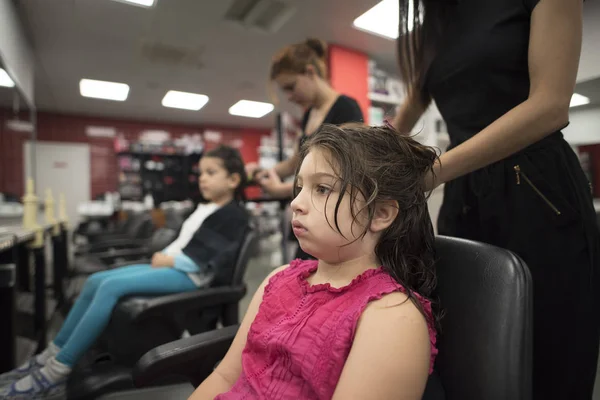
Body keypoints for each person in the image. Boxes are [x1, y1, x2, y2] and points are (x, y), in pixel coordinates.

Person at [393, 0, 599, 398]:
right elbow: (406, 113)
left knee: (551, 365)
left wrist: (432, 172)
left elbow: (550, 106)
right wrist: (359, 155)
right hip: (464, 199)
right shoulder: (436, 17)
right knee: (468, 363)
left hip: (538, 195)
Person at [190, 124, 439, 400]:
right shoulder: (280, 279)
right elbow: (225, 376)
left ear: (380, 214)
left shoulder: (391, 316)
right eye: (299, 188)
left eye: (322, 189)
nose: (296, 202)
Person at [0, 145, 250, 399]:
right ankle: (50, 354)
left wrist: (171, 261)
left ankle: (56, 371)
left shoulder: (233, 215)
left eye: (211, 172)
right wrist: (166, 258)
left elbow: (209, 260)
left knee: (110, 287)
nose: (203, 178)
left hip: (190, 276)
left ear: (233, 179)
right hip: (172, 266)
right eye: (201, 173)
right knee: (96, 280)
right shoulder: (204, 208)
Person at [249, 38, 364, 259]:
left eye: (291, 87)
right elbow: (295, 163)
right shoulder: (309, 116)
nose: (290, 96)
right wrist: (265, 172)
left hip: (332, 217)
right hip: (310, 211)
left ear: (310, 72)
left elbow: (345, 172)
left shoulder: (346, 108)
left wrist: (282, 190)